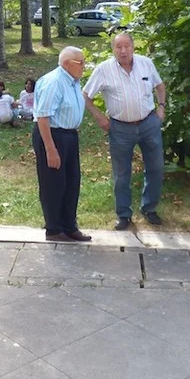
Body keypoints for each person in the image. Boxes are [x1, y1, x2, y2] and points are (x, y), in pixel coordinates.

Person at [83, 33, 166, 230]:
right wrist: (99, 116)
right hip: (120, 128)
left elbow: (160, 86)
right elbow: (85, 95)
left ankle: (149, 208)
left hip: (148, 123)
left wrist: (161, 108)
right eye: (118, 47)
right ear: (113, 49)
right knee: (121, 174)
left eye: (126, 46)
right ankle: (124, 214)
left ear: (133, 47)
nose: (123, 51)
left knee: (156, 168)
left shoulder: (146, 64)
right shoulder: (104, 69)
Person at [32, 47, 92, 243]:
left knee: (72, 182)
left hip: (69, 135)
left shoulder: (73, 81)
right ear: (66, 64)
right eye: (80, 62)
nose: (83, 66)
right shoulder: (54, 82)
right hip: (52, 134)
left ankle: (69, 226)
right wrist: (50, 149)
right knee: (54, 183)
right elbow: (43, 117)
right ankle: (54, 228)